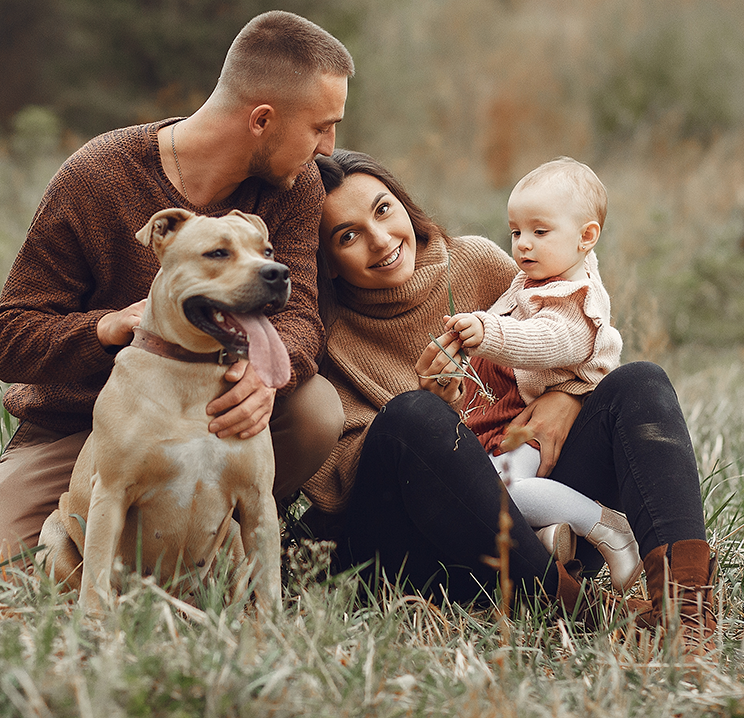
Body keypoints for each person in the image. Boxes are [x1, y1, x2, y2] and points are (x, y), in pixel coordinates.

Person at [0, 11, 351, 573]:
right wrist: (107, 327)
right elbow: (9, 336)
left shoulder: (295, 186)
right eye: (320, 127)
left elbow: (301, 314)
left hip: (218, 412)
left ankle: (219, 541)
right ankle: (127, 552)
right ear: (262, 119)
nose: (330, 149)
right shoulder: (98, 177)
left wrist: (268, 371)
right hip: (85, 427)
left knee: (314, 410)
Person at [302, 149, 717, 655]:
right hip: (429, 552)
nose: (382, 239)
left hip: (539, 510)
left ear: (404, 204)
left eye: (384, 209)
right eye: (347, 236)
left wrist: (567, 396)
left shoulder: (477, 261)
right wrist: (434, 418)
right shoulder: (323, 333)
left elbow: (570, 336)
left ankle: (685, 610)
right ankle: (571, 605)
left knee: (640, 382)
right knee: (414, 416)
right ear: (325, 260)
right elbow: (336, 486)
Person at [440, 157, 640, 594]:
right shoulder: (532, 281)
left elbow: (545, 340)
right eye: (515, 232)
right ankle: (547, 540)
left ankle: (608, 527)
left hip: (535, 418)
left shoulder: (578, 296)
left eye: (539, 232)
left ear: (586, 237)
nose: (523, 245)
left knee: (499, 492)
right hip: (504, 415)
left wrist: (485, 331)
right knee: (476, 489)